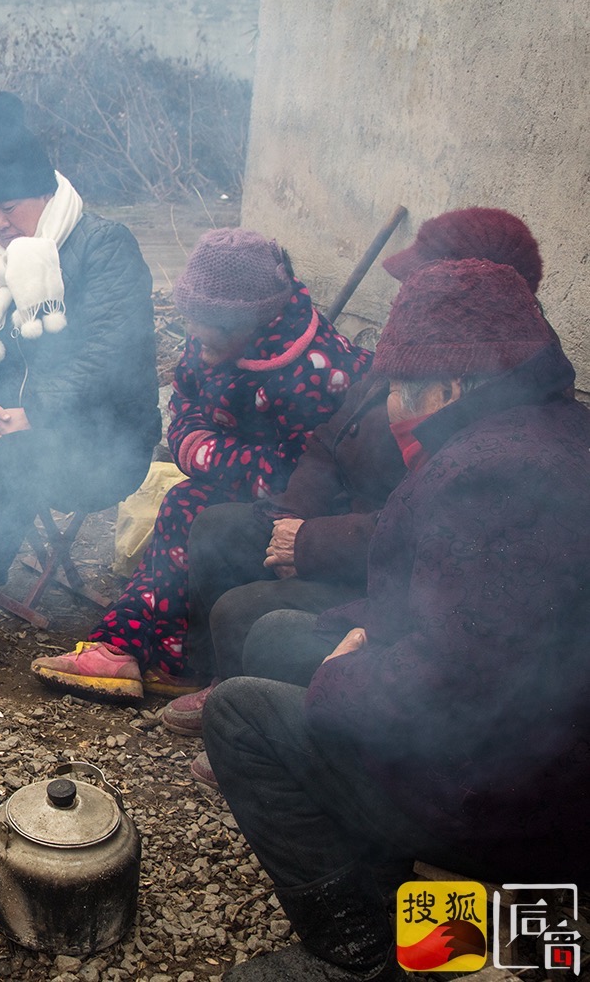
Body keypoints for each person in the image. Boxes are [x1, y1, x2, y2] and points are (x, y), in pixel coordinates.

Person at [203, 258, 590, 981]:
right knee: (281, 633)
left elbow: (460, 692)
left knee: (238, 714)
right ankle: (391, 881)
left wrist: (347, 678)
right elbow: (482, 611)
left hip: (507, 800)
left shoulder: (487, 473)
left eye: (403, 389)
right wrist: (361, 627)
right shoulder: (560, 431)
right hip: (547, 757)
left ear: (451, 385)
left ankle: (371, 954)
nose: (394, 407)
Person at [170, 207, 544, 756]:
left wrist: (312, 544)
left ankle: (267, 723)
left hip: (377, 571)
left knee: (247, 612)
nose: (401, 295)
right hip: (333, 526)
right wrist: (290, 520)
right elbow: (326, 441)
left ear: (472, 294)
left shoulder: (480, 395)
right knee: (216, 529)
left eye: (418, 282)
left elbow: (420, 528)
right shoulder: (418, 346)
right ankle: (217, 681)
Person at [31, 228, 369, 701]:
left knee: (190, 508)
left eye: (202, 324)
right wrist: (198, 444)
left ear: (243, 322)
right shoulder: (209, 340)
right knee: (184, 501)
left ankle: (174, 660)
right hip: (239, 480)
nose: (191, 334)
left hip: (308, 511)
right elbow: (185, 404)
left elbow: (299, 475)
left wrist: (207, 452)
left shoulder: (316, 370)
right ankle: (136, 649)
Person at [0, 91, 159, 673]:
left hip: (104, 441)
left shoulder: (104, 246)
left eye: (8, 209)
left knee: (16, 461)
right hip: (17, 424)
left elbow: (113, 352)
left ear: (47, 194)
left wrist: (38, 411)